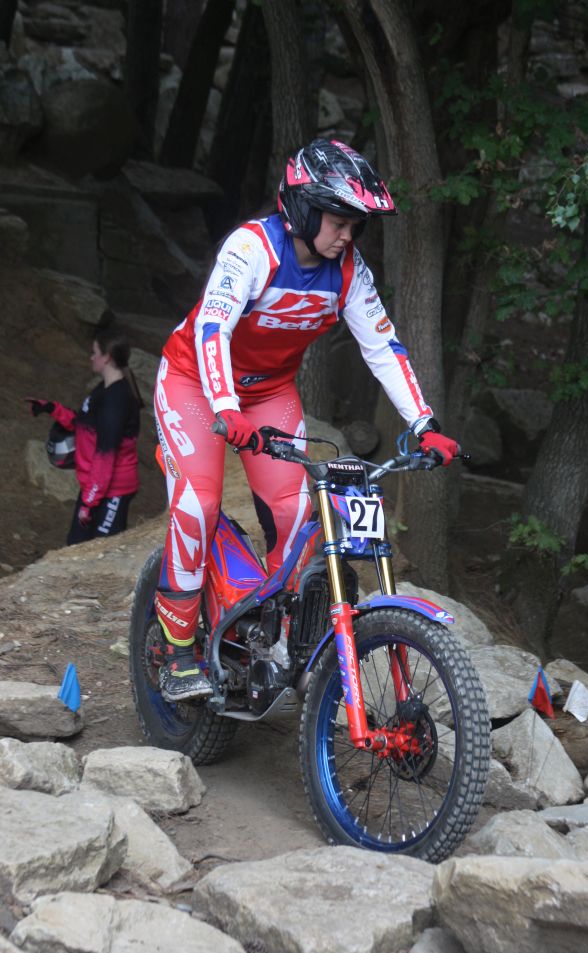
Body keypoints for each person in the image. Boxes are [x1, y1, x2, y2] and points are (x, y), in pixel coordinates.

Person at [154, 138, 460, 701]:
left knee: (295, 516)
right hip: (194, 383)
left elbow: (382, 346)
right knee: (199, 503)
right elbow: (213, 329)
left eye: (356, 225)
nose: (348, 235)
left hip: (269, 392)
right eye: (339, 221)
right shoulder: (252, 248)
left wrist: (424, 423)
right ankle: (175, 654)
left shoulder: (349, 271)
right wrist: (225, 406)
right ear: (302, 207)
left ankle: (274, 640)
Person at [26, 326, 142, 545]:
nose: (91, 357)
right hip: (94, 487)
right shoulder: (102, 390)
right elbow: (82, 423)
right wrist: (51, 408)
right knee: (76, 546)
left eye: (94, 352)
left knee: (103, 550)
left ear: (107, 357)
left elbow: (105, 457)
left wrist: (89, 503)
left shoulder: (116, 400)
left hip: (113, 490)